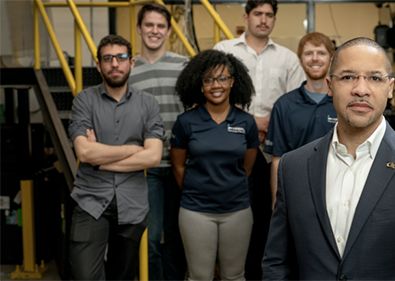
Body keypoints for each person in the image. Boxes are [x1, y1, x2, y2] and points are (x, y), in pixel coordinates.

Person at [262, 37, 395, 280]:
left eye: (374, 78)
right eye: (348, 77)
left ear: (390, 88)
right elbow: (277, 264)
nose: (361, 89)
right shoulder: (293, 167)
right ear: (330, 85)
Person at [214, 1, 305, 278]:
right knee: (232, 218)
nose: (263, 20)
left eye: (269, 15)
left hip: (272, 152)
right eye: (258, 14)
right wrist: (254, 122)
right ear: (246, 17)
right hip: (231, 150)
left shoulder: (288, 58)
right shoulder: (224, 50)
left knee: (269, 219)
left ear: (274, 20)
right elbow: (215, 94)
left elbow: (293, 104)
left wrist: (270, 126)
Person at [68, 34, 164, 281]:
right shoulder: (84, 100)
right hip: (90, 201)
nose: (114, 64)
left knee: (122, 277)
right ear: (99, 65)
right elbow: (84, 152)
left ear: (131, 63)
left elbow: (153, 157)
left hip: (132, 204)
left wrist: (100, 158)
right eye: (107, 58)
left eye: (121, 57)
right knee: (85, 277)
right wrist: (133, 150)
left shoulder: (148, 104)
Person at [170, 49, 259, 281]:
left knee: (234, 276)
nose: (215, 85)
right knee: (199, 277)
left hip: (237, 211)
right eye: (208, 80)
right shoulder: (185, 122)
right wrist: (197, 191)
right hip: (195, 212)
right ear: (200, 85)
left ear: (232, 82)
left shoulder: (246, 122)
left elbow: (247, 167)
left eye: (222, 78)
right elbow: (178, 167)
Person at [128, 3, 188, 280]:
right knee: (150, 238)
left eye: (160, 26)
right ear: (139, 28)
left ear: (168, 30)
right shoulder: (127, 69)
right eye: (149, 25)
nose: (154, 31)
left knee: (177, 236)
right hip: (145, 167)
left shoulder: (183, 65)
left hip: (180, 164)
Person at [264, 32, 337, 210]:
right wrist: (276, 205)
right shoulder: (284, 105)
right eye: (308, 53)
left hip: (337, 192)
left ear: (331, 59)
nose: (315, 59)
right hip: (296, 193)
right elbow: (277, 161)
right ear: (300, 60)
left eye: (321, 53)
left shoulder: (342, 103)